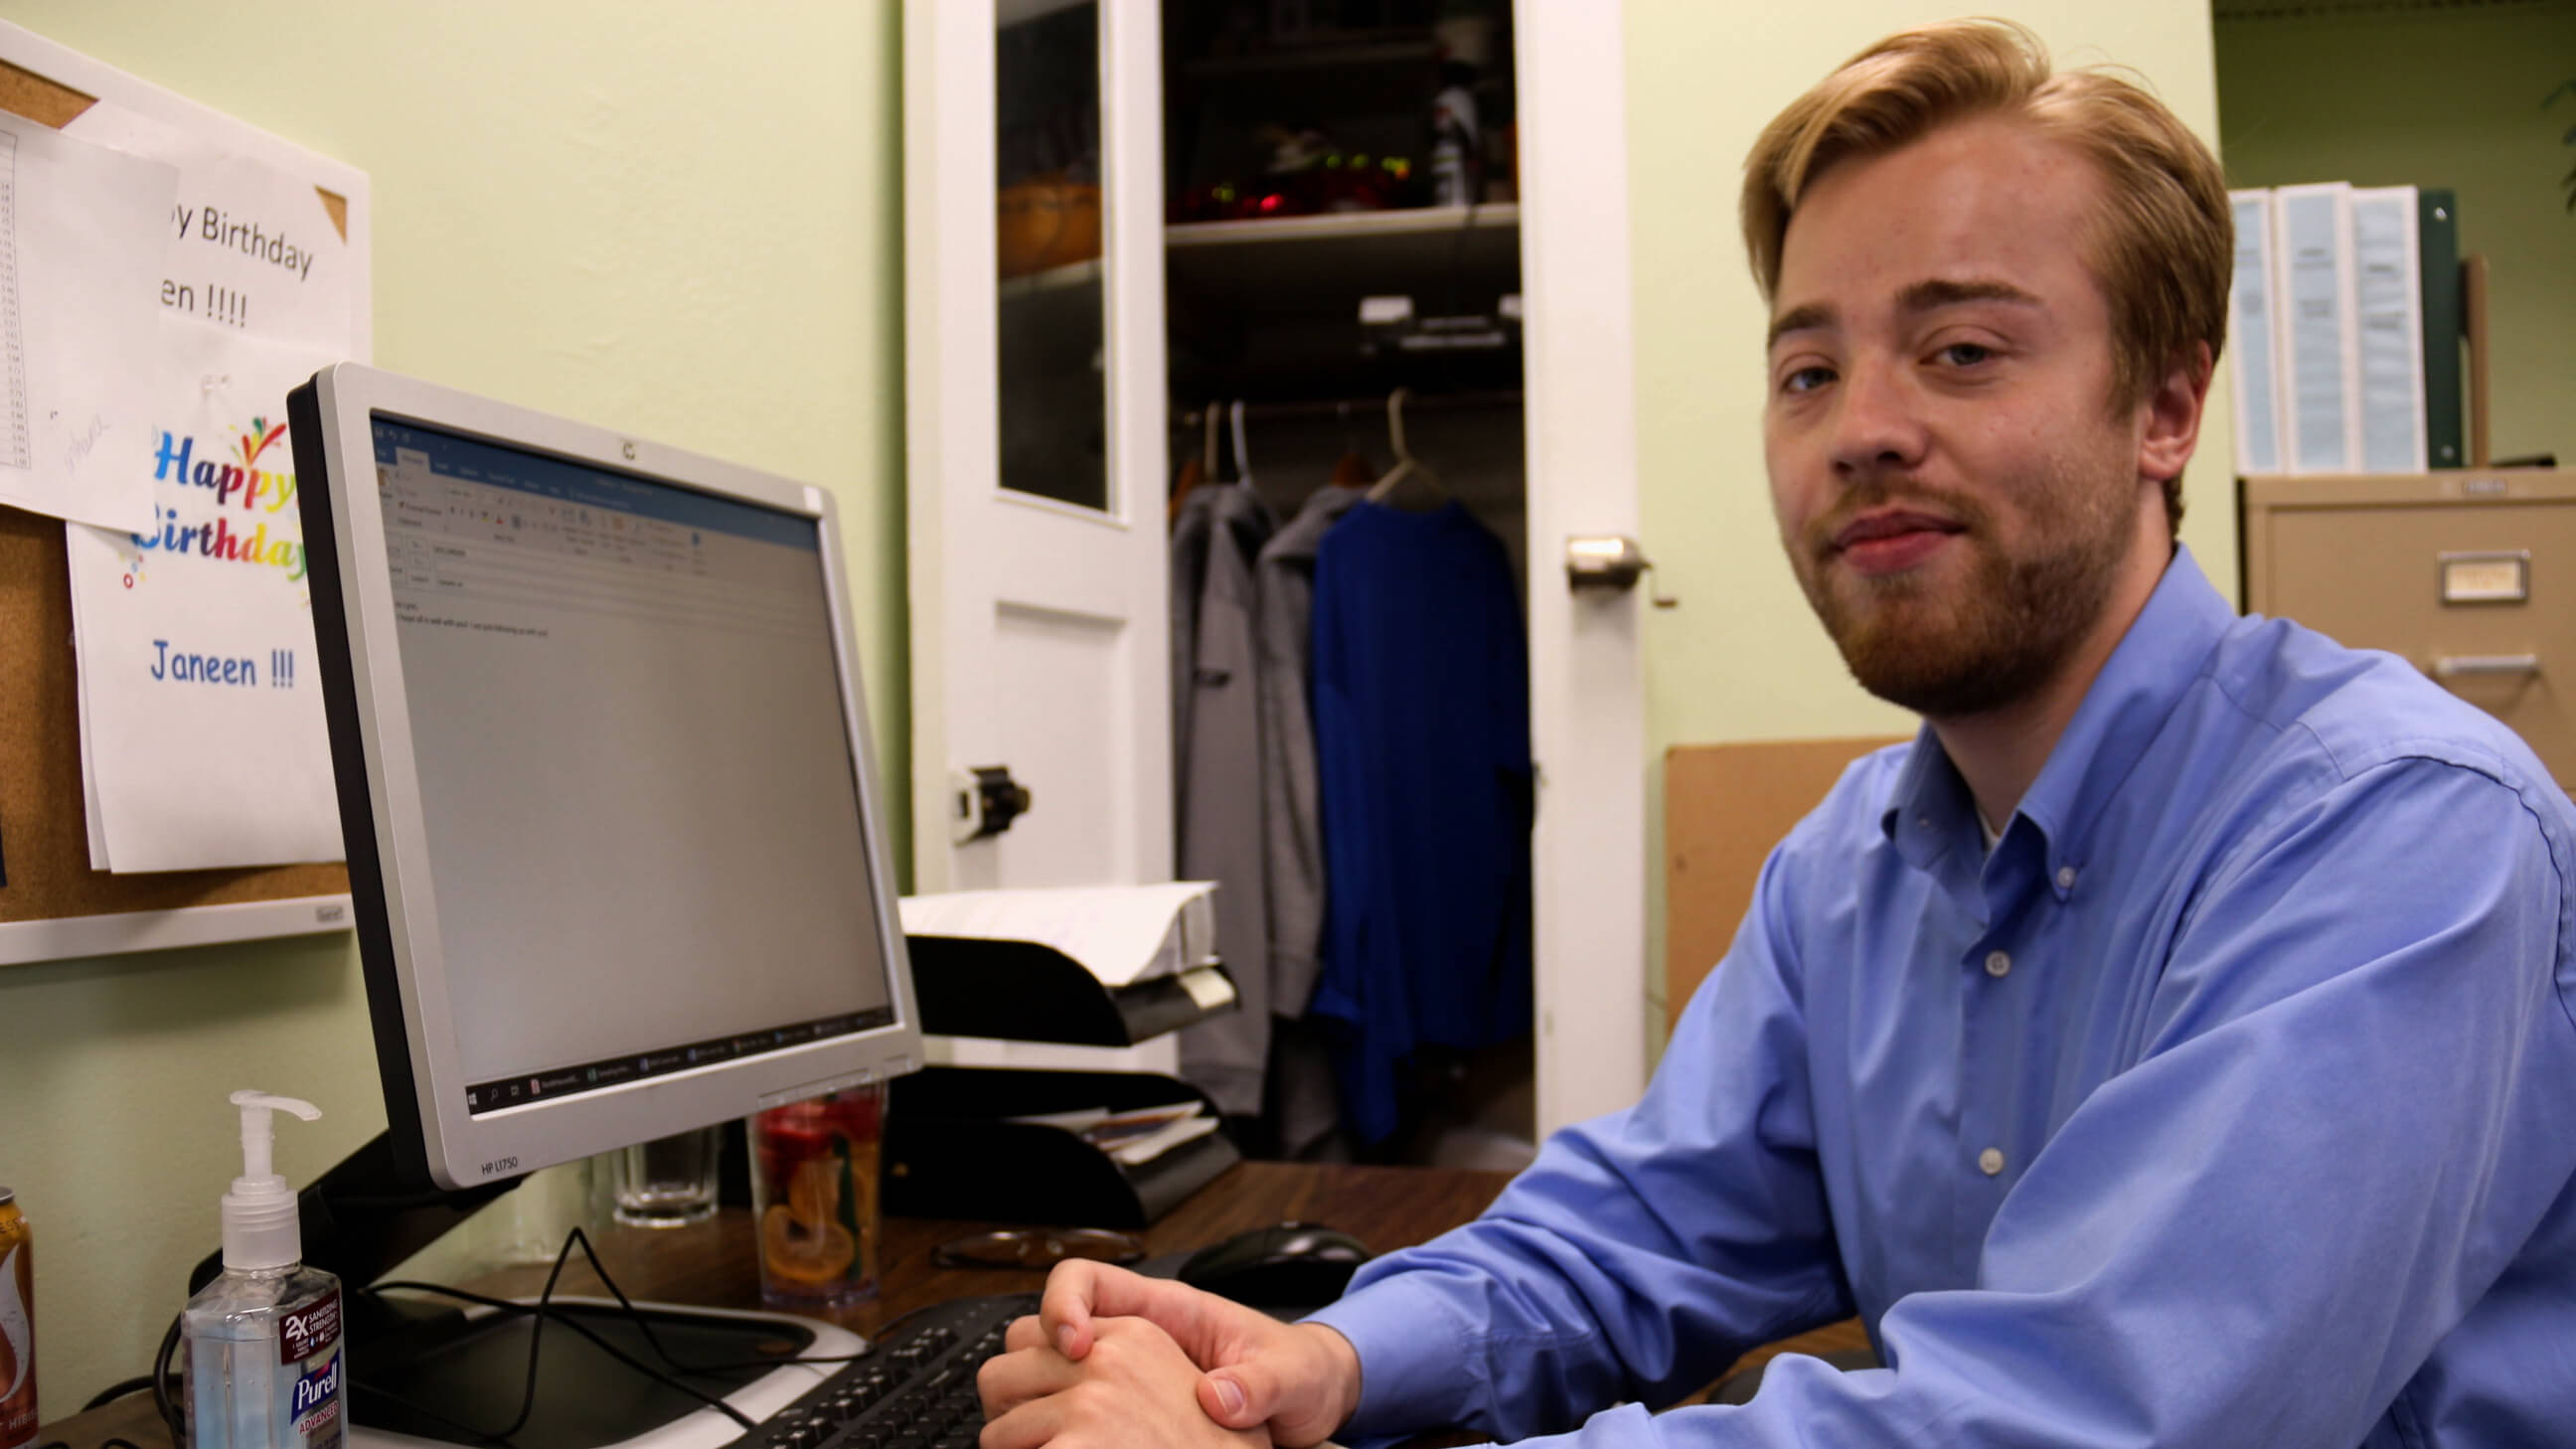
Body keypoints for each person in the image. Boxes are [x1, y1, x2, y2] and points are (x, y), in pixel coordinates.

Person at [976, 19, 2576, 1448]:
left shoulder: (2396, 829)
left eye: (1960, 348)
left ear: (2166, 406)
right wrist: (1311, 1359)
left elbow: (2077, 1420)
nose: (1861, 427)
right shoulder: (1854, 865)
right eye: (1807, 367)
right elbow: (1630, 1233)